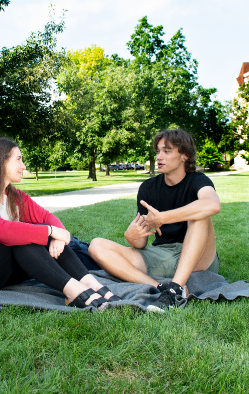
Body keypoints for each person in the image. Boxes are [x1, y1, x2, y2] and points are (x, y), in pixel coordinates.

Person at [0, 137, 119, 310]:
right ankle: (74, 291)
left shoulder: (14, 197)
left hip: (1, 271)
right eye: (18, 159)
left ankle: (90, 283)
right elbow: (2, 231)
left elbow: (46, 217)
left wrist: (57, 236)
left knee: (35, 234)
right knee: (23, 236)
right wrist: (51, 231)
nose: (23, 166)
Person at [89, 129, 221, 309]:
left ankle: (177, 289)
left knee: (199, 213)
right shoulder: (148, 188)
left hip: (199, 257)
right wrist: (132, 237)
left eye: (167, 151)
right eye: (158, 151)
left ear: (185, 156)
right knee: (97, 245)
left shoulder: (198, 180)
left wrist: (163, 218)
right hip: (162, 255)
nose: (159, 156)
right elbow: (141, 243)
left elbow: (213, 205)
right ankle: (160, 287)